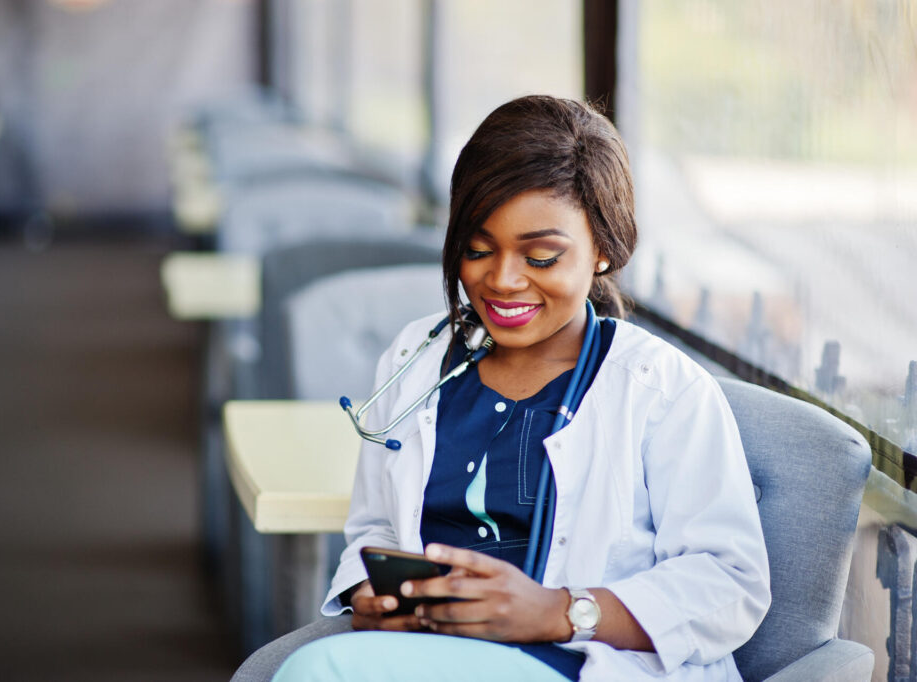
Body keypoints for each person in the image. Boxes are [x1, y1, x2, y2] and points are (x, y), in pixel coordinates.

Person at [232, 95, 770, 681]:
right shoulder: (416, 358)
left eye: (541, 256)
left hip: (586, 663)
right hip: (431, 651)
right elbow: (377, 526)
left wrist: (562, 612)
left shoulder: (664, 391)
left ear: (604, 252)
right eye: (478, 249)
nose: (502, 281)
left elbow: (728, 582)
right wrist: (370, 589)